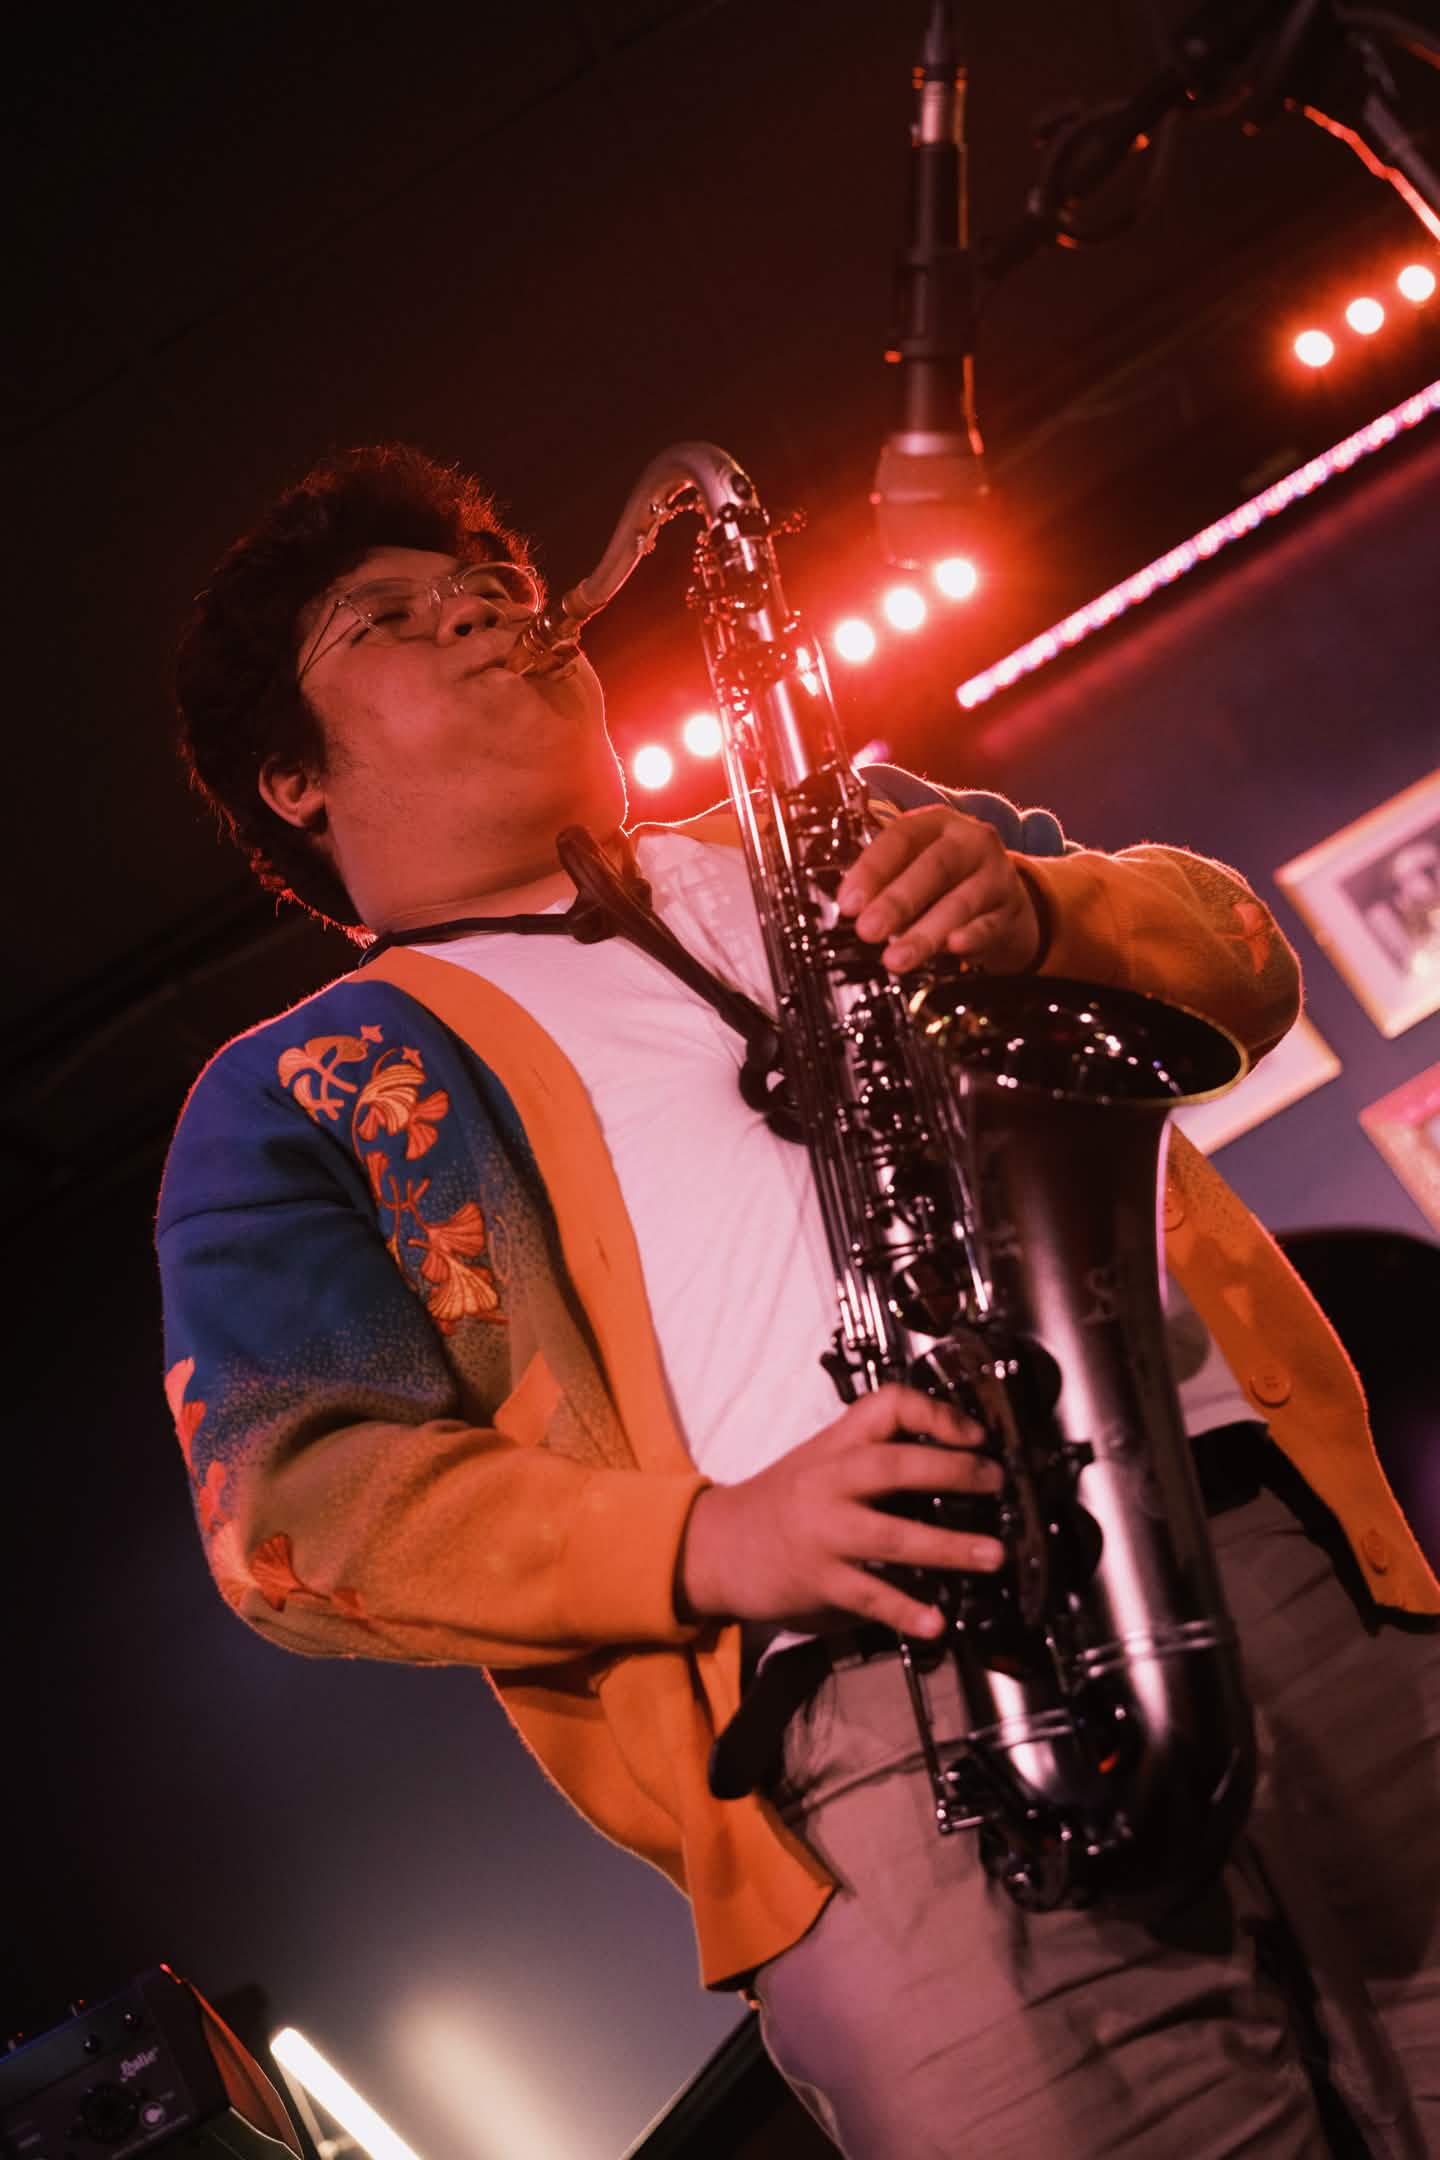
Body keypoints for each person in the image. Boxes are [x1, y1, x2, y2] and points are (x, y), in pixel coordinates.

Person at [159, 444, 1439, 2159]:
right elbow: (295, 1506)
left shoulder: (847, 832)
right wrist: (712, 1541)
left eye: (496, 591)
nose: (477, 611)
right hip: (885, 1729)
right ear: (291, 782)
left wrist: (1048, 907)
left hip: (1276, 1576)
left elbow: (1236, 958)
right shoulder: (293, 1087)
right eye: (387, 620)